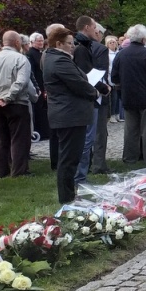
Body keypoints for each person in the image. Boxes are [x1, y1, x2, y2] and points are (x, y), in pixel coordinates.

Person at [43, 27, 102, 204]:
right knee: (69, 159)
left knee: (70, 157)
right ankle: (67, 198)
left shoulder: (57, 58)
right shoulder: (59, 60)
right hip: (69, 115)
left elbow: (80, 77)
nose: (73, 46)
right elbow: (78, 83)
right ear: (58, 44)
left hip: (68, 114)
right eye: (69, 43)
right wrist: (95, 93)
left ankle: (69, 194)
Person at [0, 30, 35, 178]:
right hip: (17, 103)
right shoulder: (21, 59)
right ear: (17, 42)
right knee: (19, 138)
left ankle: (1, 171)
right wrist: (8, 97)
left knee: (0, 139)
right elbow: (22, 81)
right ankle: (19, 171)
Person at [111, 24, 146, 165]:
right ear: (144, 39)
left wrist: (121, 90)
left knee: (131, 130)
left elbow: (114, 77)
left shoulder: (121, 54)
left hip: (128, 96)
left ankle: (130, 158)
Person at [72, 16, 109, 180]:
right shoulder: (81, 48)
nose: (97, 30)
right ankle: (80, 176)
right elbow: (85, 73)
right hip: (87, 98)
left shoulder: (84, 47)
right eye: (95, 27)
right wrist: (102, 88)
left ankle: (80, 175)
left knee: (87, 138)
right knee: (87, 139)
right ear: (86, 27)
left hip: (88, 96)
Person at [27, 32, 50, 139]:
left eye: (42, 40)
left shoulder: (40, 53)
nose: (41, 43)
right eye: (38, 41)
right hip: (37, 84)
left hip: (42, 83)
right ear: (32, 42)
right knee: (39, 109)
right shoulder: (30, 54)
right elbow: (31, 72)